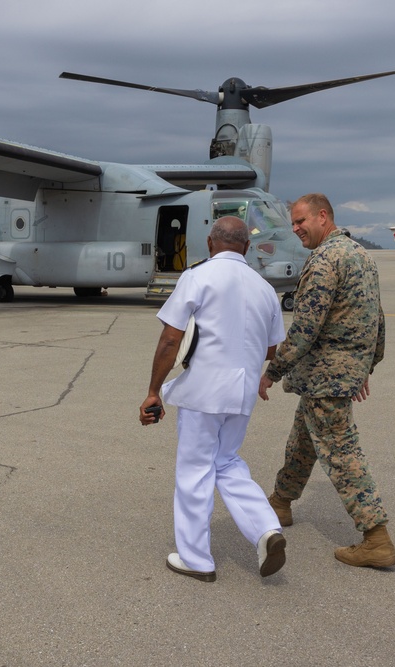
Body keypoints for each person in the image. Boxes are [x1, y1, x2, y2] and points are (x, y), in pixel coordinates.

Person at [140, 216, 288, 582]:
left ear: (210, 243)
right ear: (247, 247)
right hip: (241, 393)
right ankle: (266, 529)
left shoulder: (197, 276)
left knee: (195, 470)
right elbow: (271, 349)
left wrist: (153, 391)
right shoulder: (264, 287)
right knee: (227, 461)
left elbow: (171, 339)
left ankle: (196, 559)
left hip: (204, 391)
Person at [259, 193, 395, 568]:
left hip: (326, 374)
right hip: (340, 371)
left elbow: (305, 328)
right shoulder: (361, 256)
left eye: (302, 221)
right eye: (293, 223)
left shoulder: (324, 260)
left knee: (341, 452)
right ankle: (281, 502)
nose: (296, 229)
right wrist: (366, 365)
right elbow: (377, 318)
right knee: (304, 440)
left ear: (324, 217)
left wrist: (272, 371)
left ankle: (376, 537)